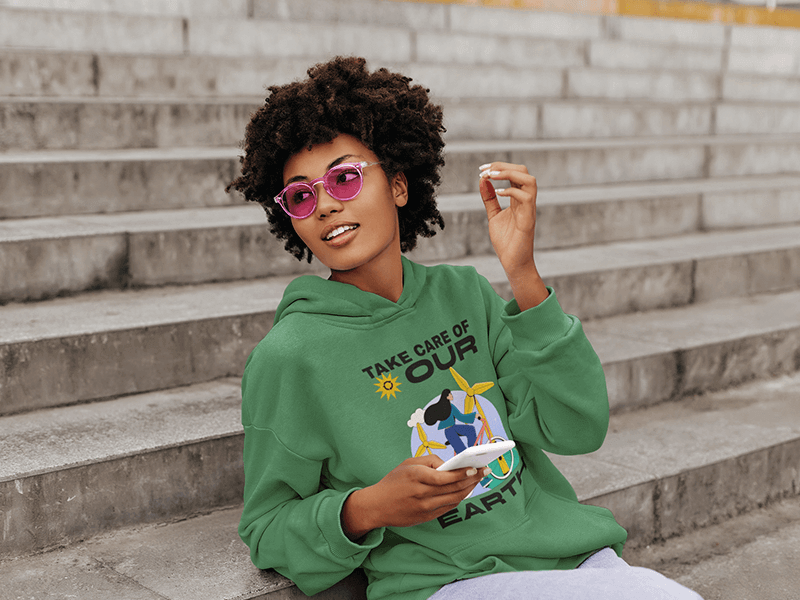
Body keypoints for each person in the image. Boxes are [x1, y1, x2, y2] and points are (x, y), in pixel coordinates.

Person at [227, 56, 703, 600]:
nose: (327, 205)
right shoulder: (290, 356)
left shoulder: (465, 294)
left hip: (575, 562)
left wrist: (522, 274)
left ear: (399, 185)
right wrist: (369, 507)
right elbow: (266, 527)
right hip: (448, 584)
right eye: (302, 195)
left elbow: (577, 425)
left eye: (346, 177)